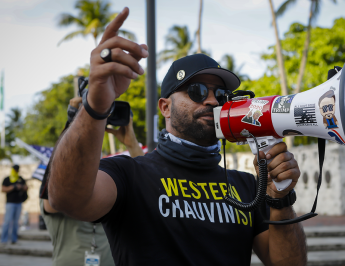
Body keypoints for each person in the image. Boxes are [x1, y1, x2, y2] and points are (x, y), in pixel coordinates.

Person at [48, 8, 306, 265]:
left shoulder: (250, 186)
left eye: (221, 94)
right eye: (197, 90)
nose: (212, 100)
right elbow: (67, 199)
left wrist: (280, 198)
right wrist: (95, 105)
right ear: (165, 107)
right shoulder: (129, 174)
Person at [40, 96, 143, 266]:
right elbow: (54, 198)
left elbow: (145, 187)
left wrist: (132, 145)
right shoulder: (57, 192)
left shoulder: (110, 193)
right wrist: (73, 123)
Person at [1, 164, 28, 245]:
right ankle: (3, 240)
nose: (16, 171)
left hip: (18, 203)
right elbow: (3, 189)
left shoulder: (20, 179)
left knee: (16, 222)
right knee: (7, 221)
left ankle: (14, 240)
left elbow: (26, 187)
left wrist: (21, 187)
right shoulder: (7, 179)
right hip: (10, 203)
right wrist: (13, 187)